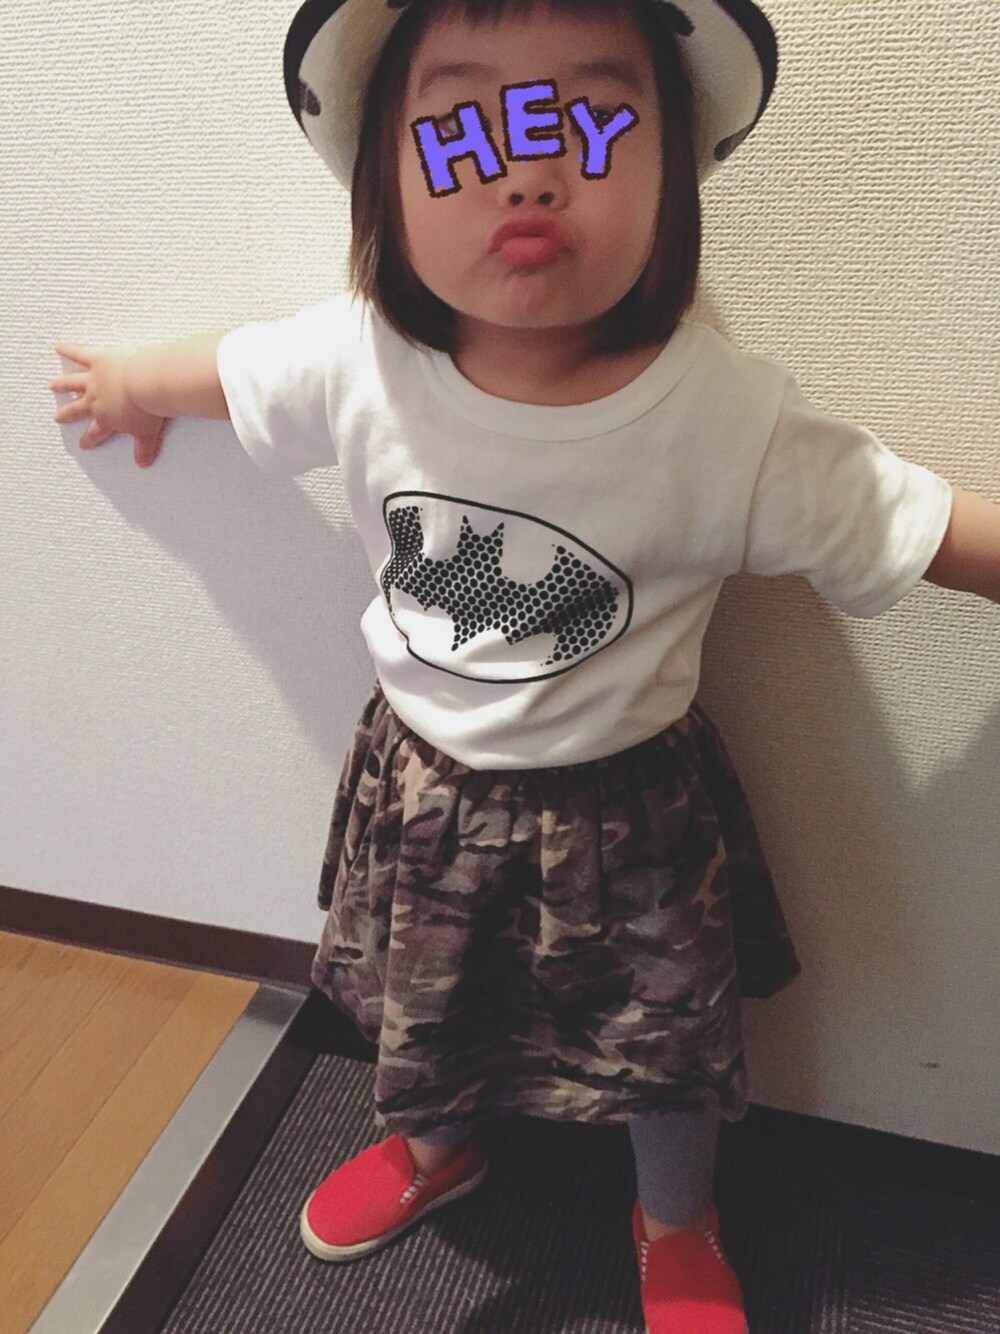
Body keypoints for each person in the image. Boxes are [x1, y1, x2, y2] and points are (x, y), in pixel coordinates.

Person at [48, 0, 1000, 1329]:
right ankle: (440, 1145)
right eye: (463, 128)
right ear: (383, 176)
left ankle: (677, 1217)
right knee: (422, 1002)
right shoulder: (359, 357)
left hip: (631, 815)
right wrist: (135, 384)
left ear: (674, 171)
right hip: (424, 793)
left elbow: (921, 524)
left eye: (591, 120)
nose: (529, 170)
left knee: (667, 1050)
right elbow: (236, 370)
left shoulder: (725, 420)